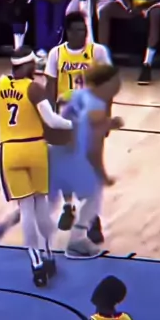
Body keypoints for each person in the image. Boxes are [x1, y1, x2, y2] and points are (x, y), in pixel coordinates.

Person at [0, 46, 73, 287]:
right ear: (27, 65)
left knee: (25, 209)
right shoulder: (34, 88)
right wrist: (73, 125)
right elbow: (51, 121)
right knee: (41, 206)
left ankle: (36, 263)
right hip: (35, 149)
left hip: (10, 150)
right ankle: (48, 255)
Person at [44, 12, 111, 238]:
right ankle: (68, 207)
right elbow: (50, 88)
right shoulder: (56, 54)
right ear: (69, 32)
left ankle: (94, 219)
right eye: (78, 30)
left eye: (84, 30)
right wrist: (50, 120)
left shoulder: (97, 52)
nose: (83, 34)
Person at [49, 65, 123, 259]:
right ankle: (77, 241)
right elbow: (94, 149)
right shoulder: (96, 106)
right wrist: (102, 174)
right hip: (73, 157)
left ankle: (42, 240)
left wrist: (109, 123)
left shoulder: (78, 95)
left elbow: (78, 116)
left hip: (57, 153)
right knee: (93, 196)